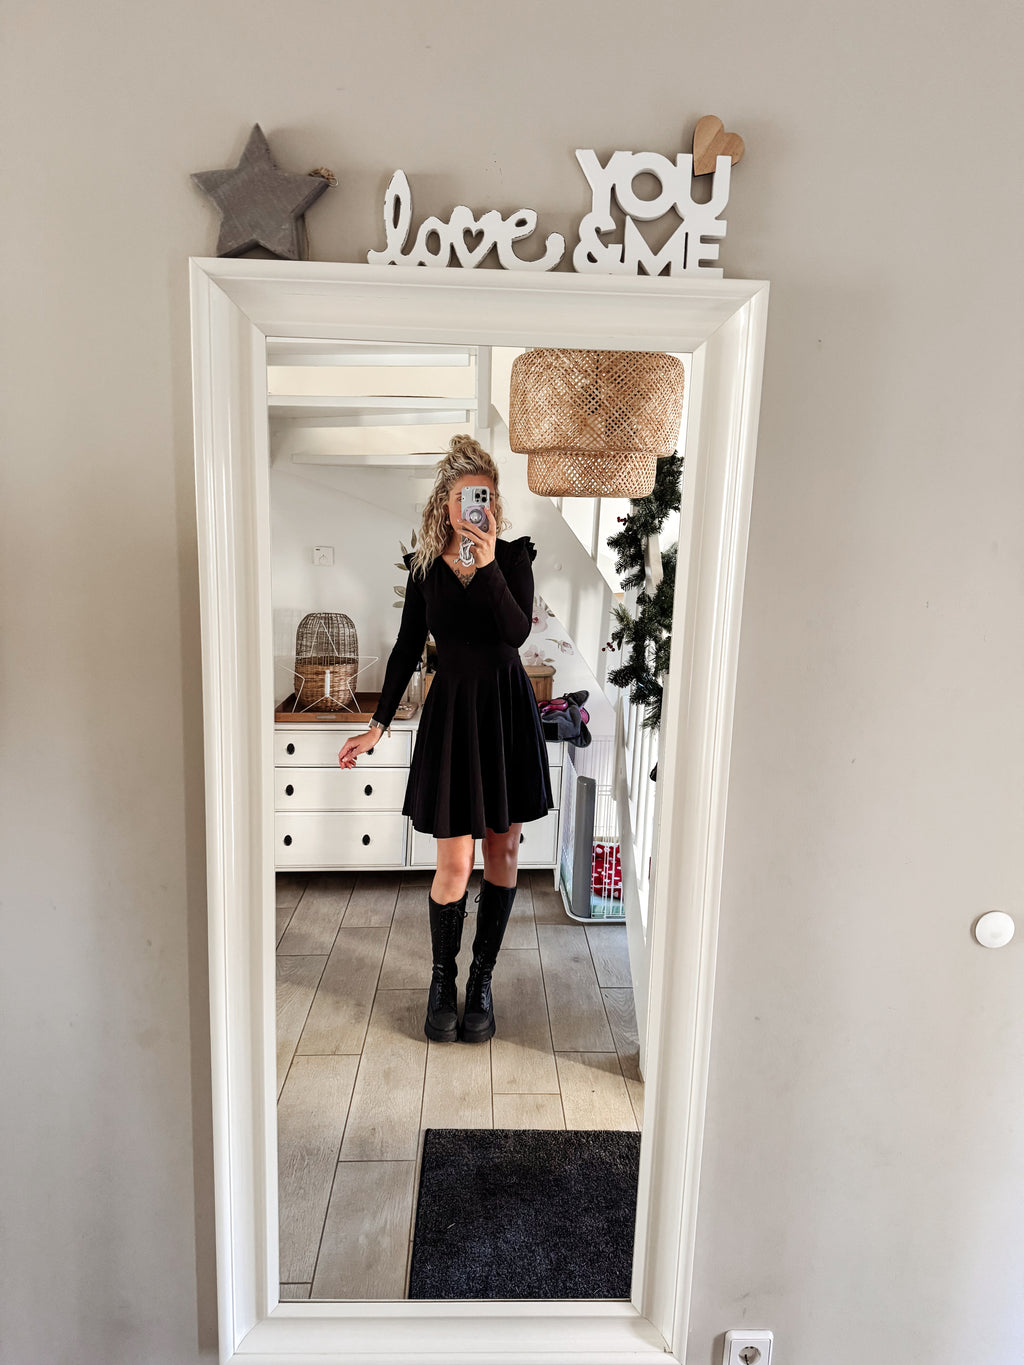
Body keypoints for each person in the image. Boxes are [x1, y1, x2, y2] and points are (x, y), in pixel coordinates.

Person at [338, 434, 554, 1044]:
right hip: (453, 716)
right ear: (447, 503)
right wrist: (377, 726)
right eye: (464, 497)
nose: (474, 506)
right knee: (455, 863)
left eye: (484, 496)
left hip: (504, 713)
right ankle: (443, 980)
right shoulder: (425, 569)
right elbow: (408, 647)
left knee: (502, 853)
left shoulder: (512, 559)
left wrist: (487, 565)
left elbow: (514, 633)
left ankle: (481, 981)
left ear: (493, 503)